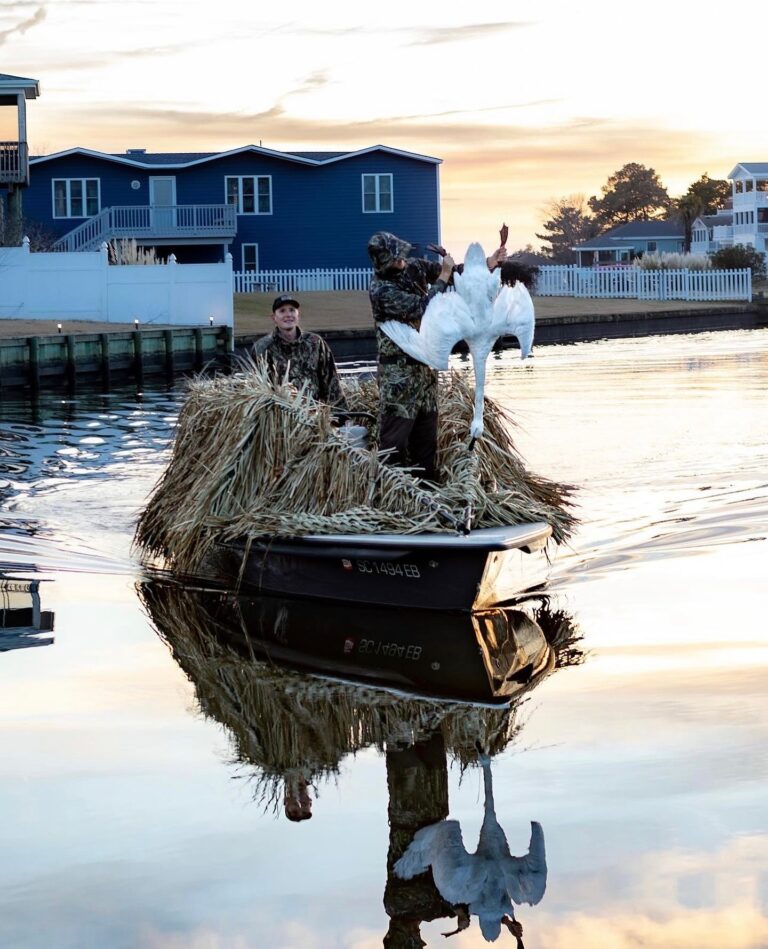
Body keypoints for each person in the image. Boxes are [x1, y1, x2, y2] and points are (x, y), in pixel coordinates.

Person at [368, 233, 505, 483]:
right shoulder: (381, 290)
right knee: (394, 440)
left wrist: (488, 264)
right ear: (383, 262)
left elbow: (457, 274)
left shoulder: (415, 267)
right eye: (395, 258)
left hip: (426, 370)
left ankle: (427, 492)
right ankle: (391, 493)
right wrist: (442, 276)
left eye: (401, 255)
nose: (402, 261)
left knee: (426, 436)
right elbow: (424, 308)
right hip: (399, 376)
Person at [251, 294, 347, 409]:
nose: (288, 315)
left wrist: (341, 416)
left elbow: (332, 381)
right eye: (282, 311)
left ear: (298, 315)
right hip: (279, 418)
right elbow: (257, 391)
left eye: (292, 310)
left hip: (315, 415)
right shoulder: (262, 348)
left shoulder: (315, 343)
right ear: (274, 318)